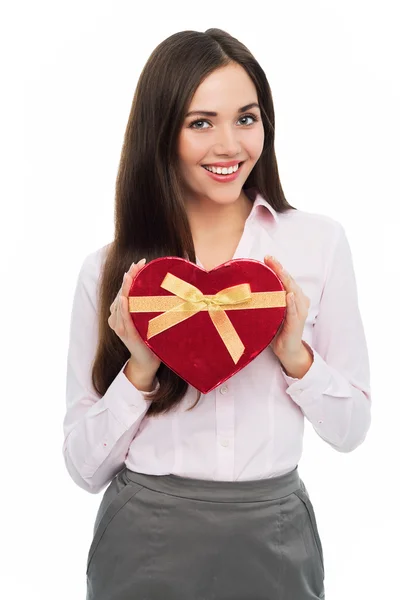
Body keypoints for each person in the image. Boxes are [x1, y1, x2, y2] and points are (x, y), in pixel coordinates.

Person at [62, 28, 371, 600]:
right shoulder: (111, 271)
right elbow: (83, 469)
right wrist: (140, 369)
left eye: (246, 119)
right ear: (161, 133)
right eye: (200, 123)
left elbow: (352, 430)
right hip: (145, 535)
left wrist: (295, 356)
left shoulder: (318, 244)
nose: (229, 145)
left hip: (274, 533)